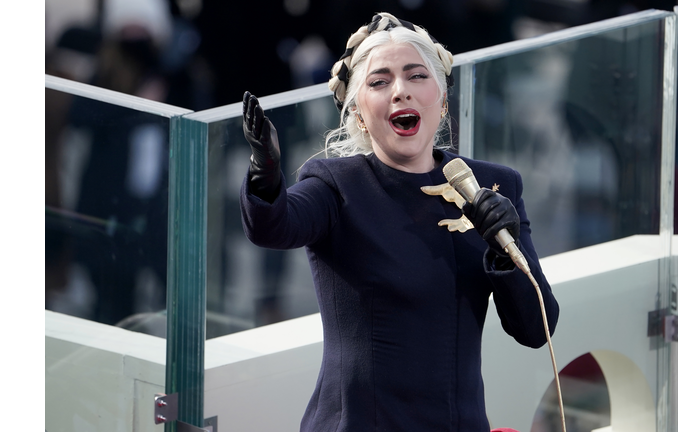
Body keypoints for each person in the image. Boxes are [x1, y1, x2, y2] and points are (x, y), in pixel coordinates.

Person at [239, 12, 559, 432]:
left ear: (442, 100)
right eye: (380, 81)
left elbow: (536, 329)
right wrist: (265, 175)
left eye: (415, 76)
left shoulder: (496, 186)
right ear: (358, 114)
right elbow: (273, 226)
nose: (400, 92)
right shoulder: (335, 184)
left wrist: (504, 252)